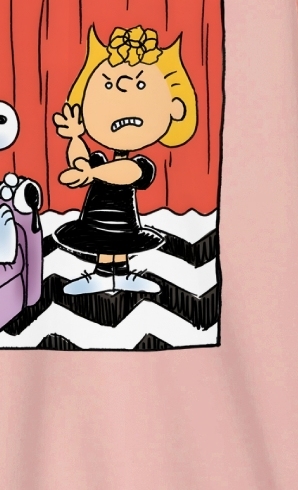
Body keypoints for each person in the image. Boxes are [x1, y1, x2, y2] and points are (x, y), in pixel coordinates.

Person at [53, 24, 198, 294]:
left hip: (123, 223)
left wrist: (91, 174)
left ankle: (122, 275)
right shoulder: (99, 159)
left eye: (141, 85)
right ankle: (101, 275)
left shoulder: (140, 166)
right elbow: (79, 162)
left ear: (174, 108)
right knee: (102, 243)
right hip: (95, 221)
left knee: (120, 243)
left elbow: (127, 172)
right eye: (107, 85)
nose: (121, 93)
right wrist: (75, 137)